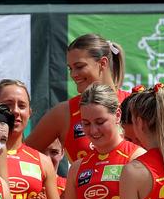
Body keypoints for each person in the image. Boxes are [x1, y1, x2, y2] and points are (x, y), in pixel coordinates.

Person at [26, 34, 127, 164]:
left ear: (102, 63)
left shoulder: (134, 104)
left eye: (79, 67)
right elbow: (24, 156)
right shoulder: (64, 113)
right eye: (70, 68)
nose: (73, 75)